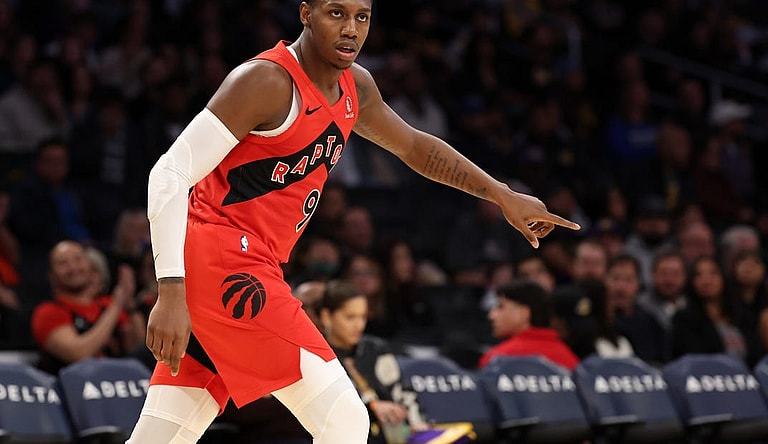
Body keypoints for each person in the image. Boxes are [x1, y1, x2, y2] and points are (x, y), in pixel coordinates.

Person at [128, 1, 580, 442]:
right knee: (346, 422)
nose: (351, 28)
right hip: (223, 260)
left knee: (165, 435)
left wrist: (501, 194)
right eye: (336, 13)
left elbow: (415, 148)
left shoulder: (355, 86)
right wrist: (170, 291)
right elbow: (168, 174)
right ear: (306, 13)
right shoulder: (266, 81)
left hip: (255, 261)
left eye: (362, 16)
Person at [318, 279, 423, 443]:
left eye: (363, 317)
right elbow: (335, 402)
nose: (358, 325)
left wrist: (417, 424)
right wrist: (373, 407)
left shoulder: (375, 349)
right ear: (327, 316)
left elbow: (401, 391)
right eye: (350, 317)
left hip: (394, 435)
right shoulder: (317, 356)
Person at [30, 240, 145, 374]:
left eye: (78, 259)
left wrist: (130, 305)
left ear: (90, 265)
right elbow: (79, 354)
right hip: (73, 389)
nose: (73, 267)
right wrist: (116, 306)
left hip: (120, 384)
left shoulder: (107, 305)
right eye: (63, 263)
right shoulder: (47, 312)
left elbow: (137, 351)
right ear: (51, 275)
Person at [479, 278, 579, 370]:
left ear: (524, 313)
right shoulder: (569, 359)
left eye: (501, 307)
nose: (491, 315)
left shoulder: (497, 360)